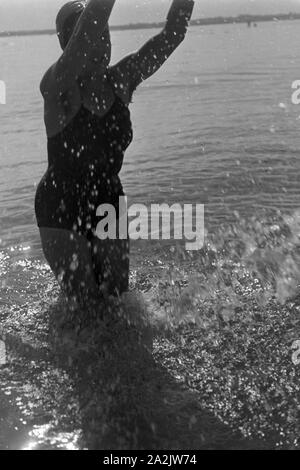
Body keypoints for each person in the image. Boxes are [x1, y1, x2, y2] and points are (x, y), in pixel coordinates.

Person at [35, 0, 195, 309]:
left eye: (105, 36)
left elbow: (173, 34)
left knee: (118, 305)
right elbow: (92, 21)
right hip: (60, 204)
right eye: (90, 37)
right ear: (69, 45)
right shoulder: (58, 86)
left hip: (108, 198)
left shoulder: (121, 79)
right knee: (86, 310)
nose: (99, 44)